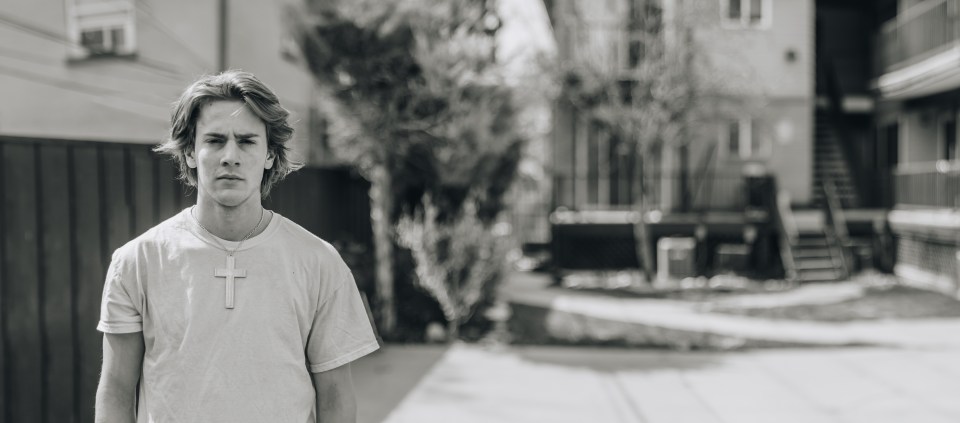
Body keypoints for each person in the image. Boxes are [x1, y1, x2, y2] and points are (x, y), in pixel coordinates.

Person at [95, 70, 379, 423]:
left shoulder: (318, 261)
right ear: (190, 153)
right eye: (215, 140)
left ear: (270, 155)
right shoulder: (137, 261)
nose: (230, 156)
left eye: (246, 141)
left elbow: (335, 395)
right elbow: (117, 390)